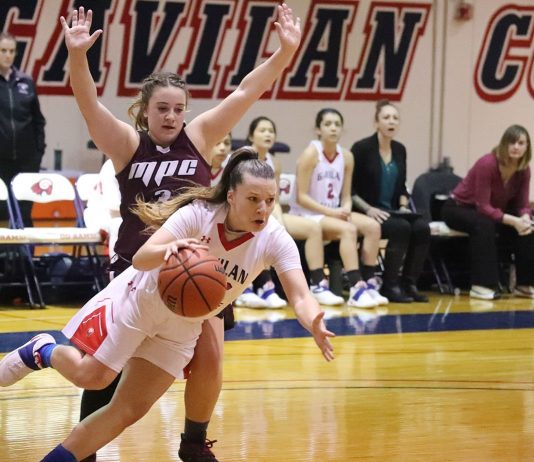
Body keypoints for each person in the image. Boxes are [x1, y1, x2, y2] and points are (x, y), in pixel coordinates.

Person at [60, 5, 301, 462]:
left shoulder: (200, 136)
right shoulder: (127, 144)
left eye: (178, 109)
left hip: (198, 265)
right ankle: (84, 446)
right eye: (161, 109)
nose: (171, 116)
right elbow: (88, 103)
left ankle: (193, 442)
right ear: (144, 111)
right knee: (107, 366)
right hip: (139, 266)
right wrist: (77, 57)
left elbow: (246, 90)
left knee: (211, 358)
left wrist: (283, 54)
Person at [0, 149, 335, 462]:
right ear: (231, 196)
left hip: (184, 325)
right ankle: (42, 350)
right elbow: (141, 258)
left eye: (270, 200)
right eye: (253, 199)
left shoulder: (275, 238)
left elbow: (300, 296)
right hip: (143, 301)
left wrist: (313, 321)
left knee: (128, 411)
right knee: (93, 377)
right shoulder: (199, 214)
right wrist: (168, 249)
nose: (263, 208)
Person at [236, 116, 344, 307]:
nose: (268, 134)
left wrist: (278, 220)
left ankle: (317, 285)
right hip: (242, 213)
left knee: (312, 229)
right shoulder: (241, 158)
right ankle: (252, 287)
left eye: (271, 131)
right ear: (251, 136)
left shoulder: (275, 163)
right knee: (261, 228)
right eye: (262, 130)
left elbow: (274, 200)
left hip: (267, 212)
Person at [290, 108, 387, 308]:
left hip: (333, 212)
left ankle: (369, 283)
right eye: (328, 124)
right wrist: (333, 213)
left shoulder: (347, 156)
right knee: (348, 230)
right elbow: (301, 197)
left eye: (337, 124)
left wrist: (346, 208)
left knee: (373, 227)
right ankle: (355, 288)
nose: (333, 128)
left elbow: (346, 195)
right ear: (318, 129)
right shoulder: (311, 154)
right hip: (309, 214)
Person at [441, 124, 534, 300]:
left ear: (527, 147)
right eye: (512, 142)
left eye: (521, 143)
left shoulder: (524, 170)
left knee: (529, 226)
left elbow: (523, 203)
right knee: (484, 224)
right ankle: (481, 285)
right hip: (458, 208)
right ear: (504, 144)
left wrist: (524, 218)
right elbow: (482, 206)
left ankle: (524, 284)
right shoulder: (488, 163)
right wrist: (513, 221)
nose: (516, 147)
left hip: (491, 212)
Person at [350, 100, 431, 303]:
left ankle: (409, 283)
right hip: (365, 210)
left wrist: (403, 206)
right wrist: (368, 209)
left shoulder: (400, 150)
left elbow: (402, 187)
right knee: (401, 228)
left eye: (395, 118)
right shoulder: (361, 148)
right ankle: (389, 285)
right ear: (376, 123)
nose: (391, 122)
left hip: (393, 211)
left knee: (422, 228)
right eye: (386, 118)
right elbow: (350, 190)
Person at [0, 32, 46, 226]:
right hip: (1, 161)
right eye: (3, 50)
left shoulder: (26, 82)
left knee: (25, 213)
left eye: (11, 51)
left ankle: (27, 248)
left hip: (27, 162)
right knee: (2, 213)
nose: (8, 55)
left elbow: (38, 121)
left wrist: (38, 153)